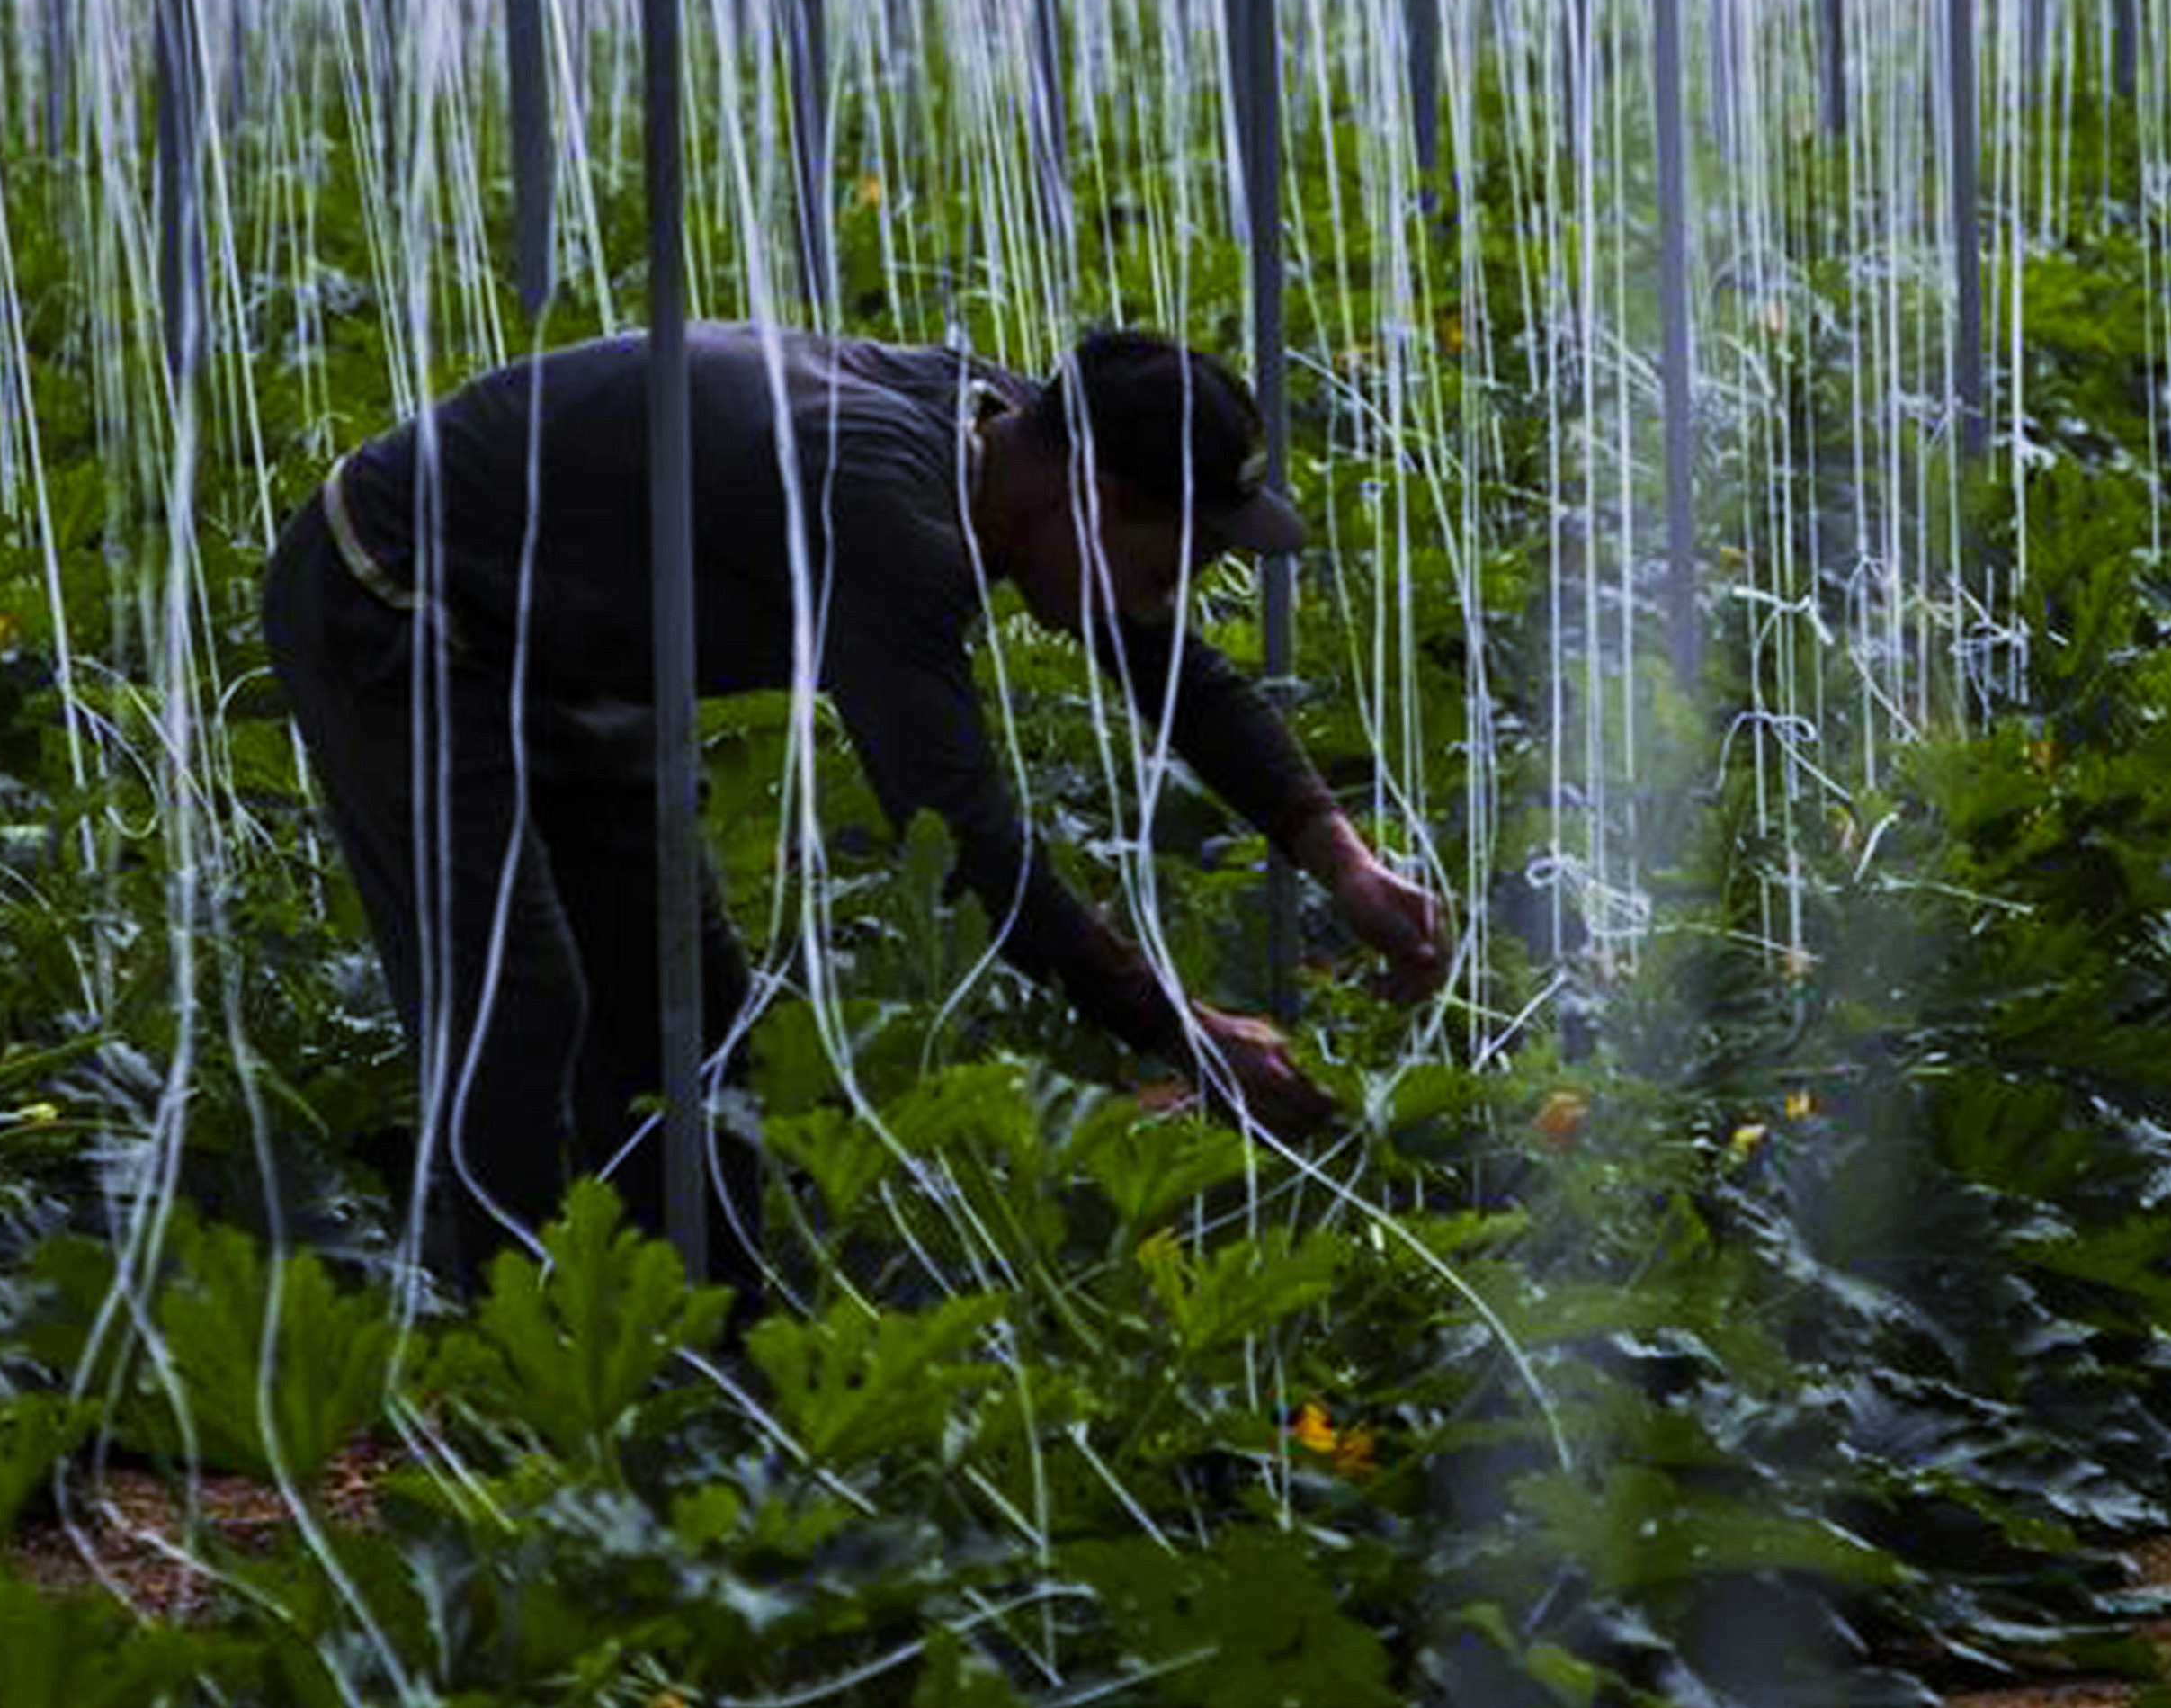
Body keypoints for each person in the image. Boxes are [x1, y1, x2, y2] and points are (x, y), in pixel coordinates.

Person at [260, 321, 1452, 1298]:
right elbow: (971, 845)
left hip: (577, 647)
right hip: (398, 598)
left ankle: (705, 1351)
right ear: (1092, 492)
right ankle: (500, 1373)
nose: (1181, 589)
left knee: (688, 1019)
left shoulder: (1005, 443)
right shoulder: (886, 519)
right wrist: (1188, 1033)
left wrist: (1338, 855)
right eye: (1175, 555)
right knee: (520, 1005)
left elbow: (1166, 663)